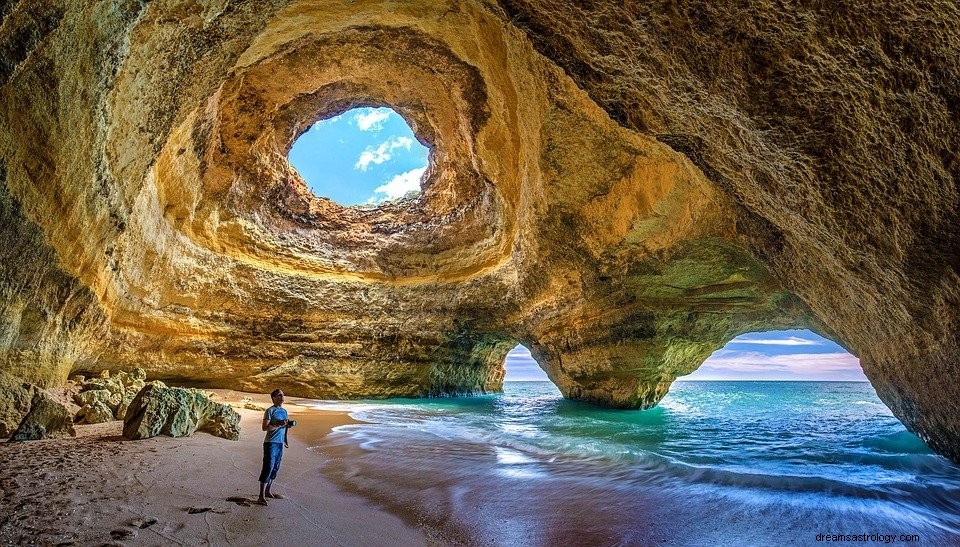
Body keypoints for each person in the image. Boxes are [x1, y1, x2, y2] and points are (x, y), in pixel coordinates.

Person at [258, 388, 289, 505]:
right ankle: (260, 496)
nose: (282, 397)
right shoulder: (269, 411)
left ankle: (268, 491)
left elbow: (285, 427)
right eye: (279, 395)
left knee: (276, 467)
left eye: (283, 395)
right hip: (270, 442)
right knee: (268, 467)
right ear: (274, 398)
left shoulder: (285, 411)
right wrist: (278, 424)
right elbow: (264, 427)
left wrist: (285, 439)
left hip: (280, 443)